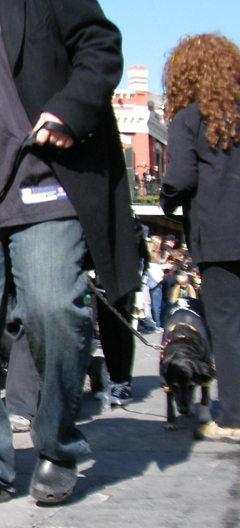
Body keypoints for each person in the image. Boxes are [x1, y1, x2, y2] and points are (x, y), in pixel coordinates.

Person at [0, 0, 140, 509]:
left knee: (54, 309)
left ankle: (58, 446)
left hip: (39, 183)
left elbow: (99, 45)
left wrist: (70, 109)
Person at [159, 33, 240, 442]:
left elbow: (180, 178)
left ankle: (233, 417)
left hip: (222, 235)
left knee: (228, 324)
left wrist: (167, 200)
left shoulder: (189, 118)